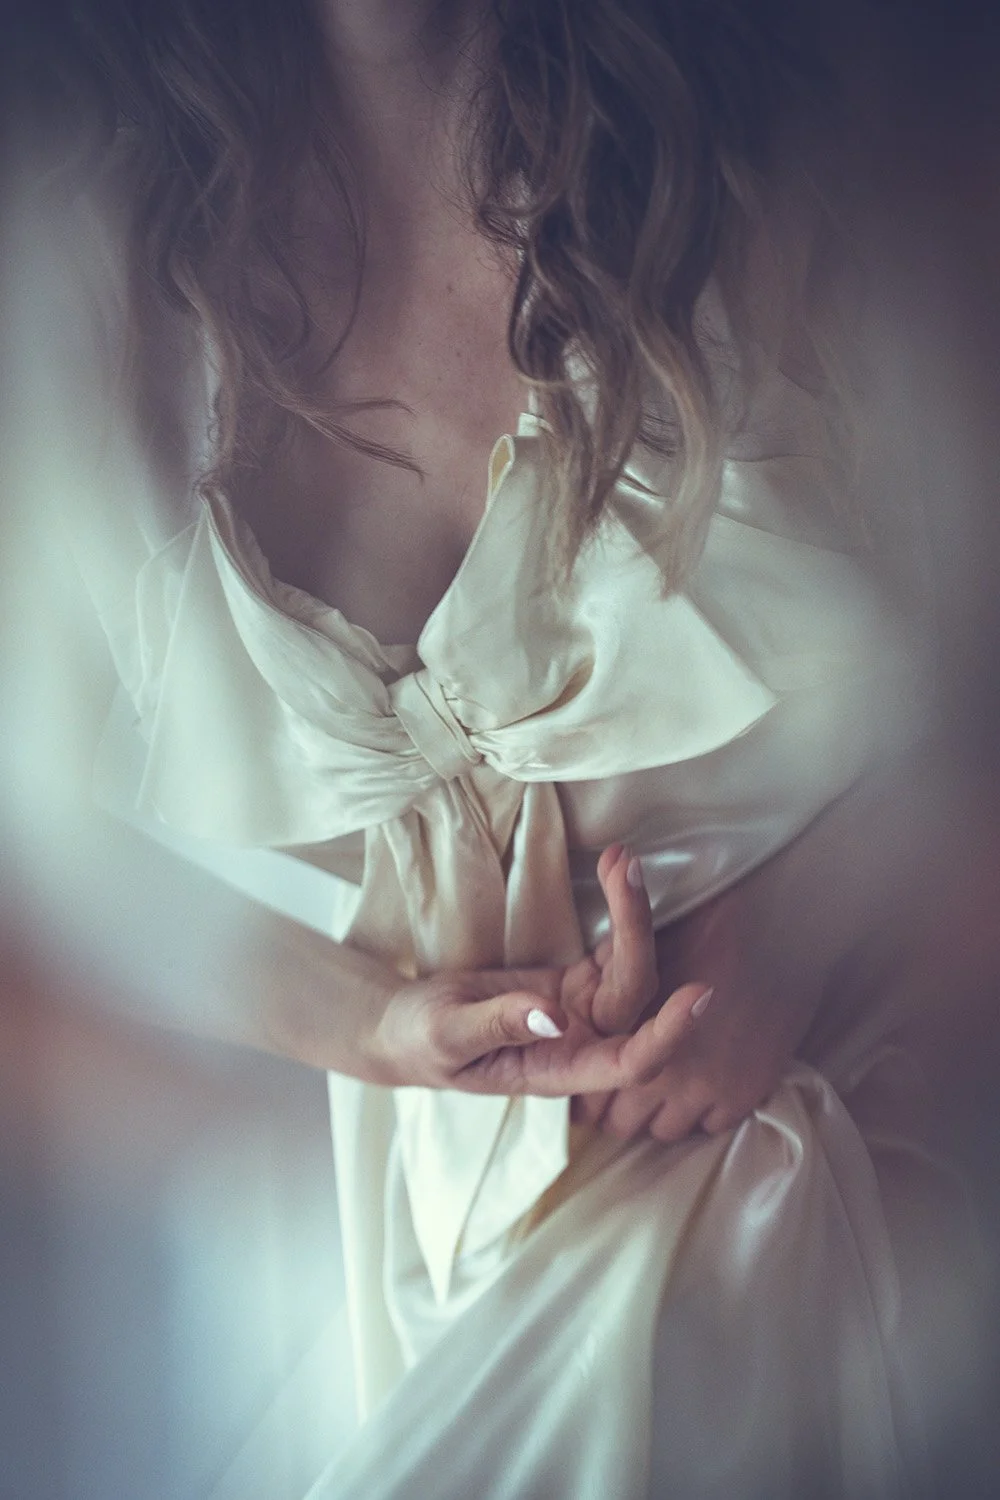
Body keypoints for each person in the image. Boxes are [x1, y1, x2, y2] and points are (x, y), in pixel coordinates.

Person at [1, 1, 982, 1495]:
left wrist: (787, 943)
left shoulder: (801, 190)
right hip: (347, 1272)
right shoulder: (78, 294)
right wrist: (356, 1022)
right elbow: (53, 909)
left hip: (799, 1195)